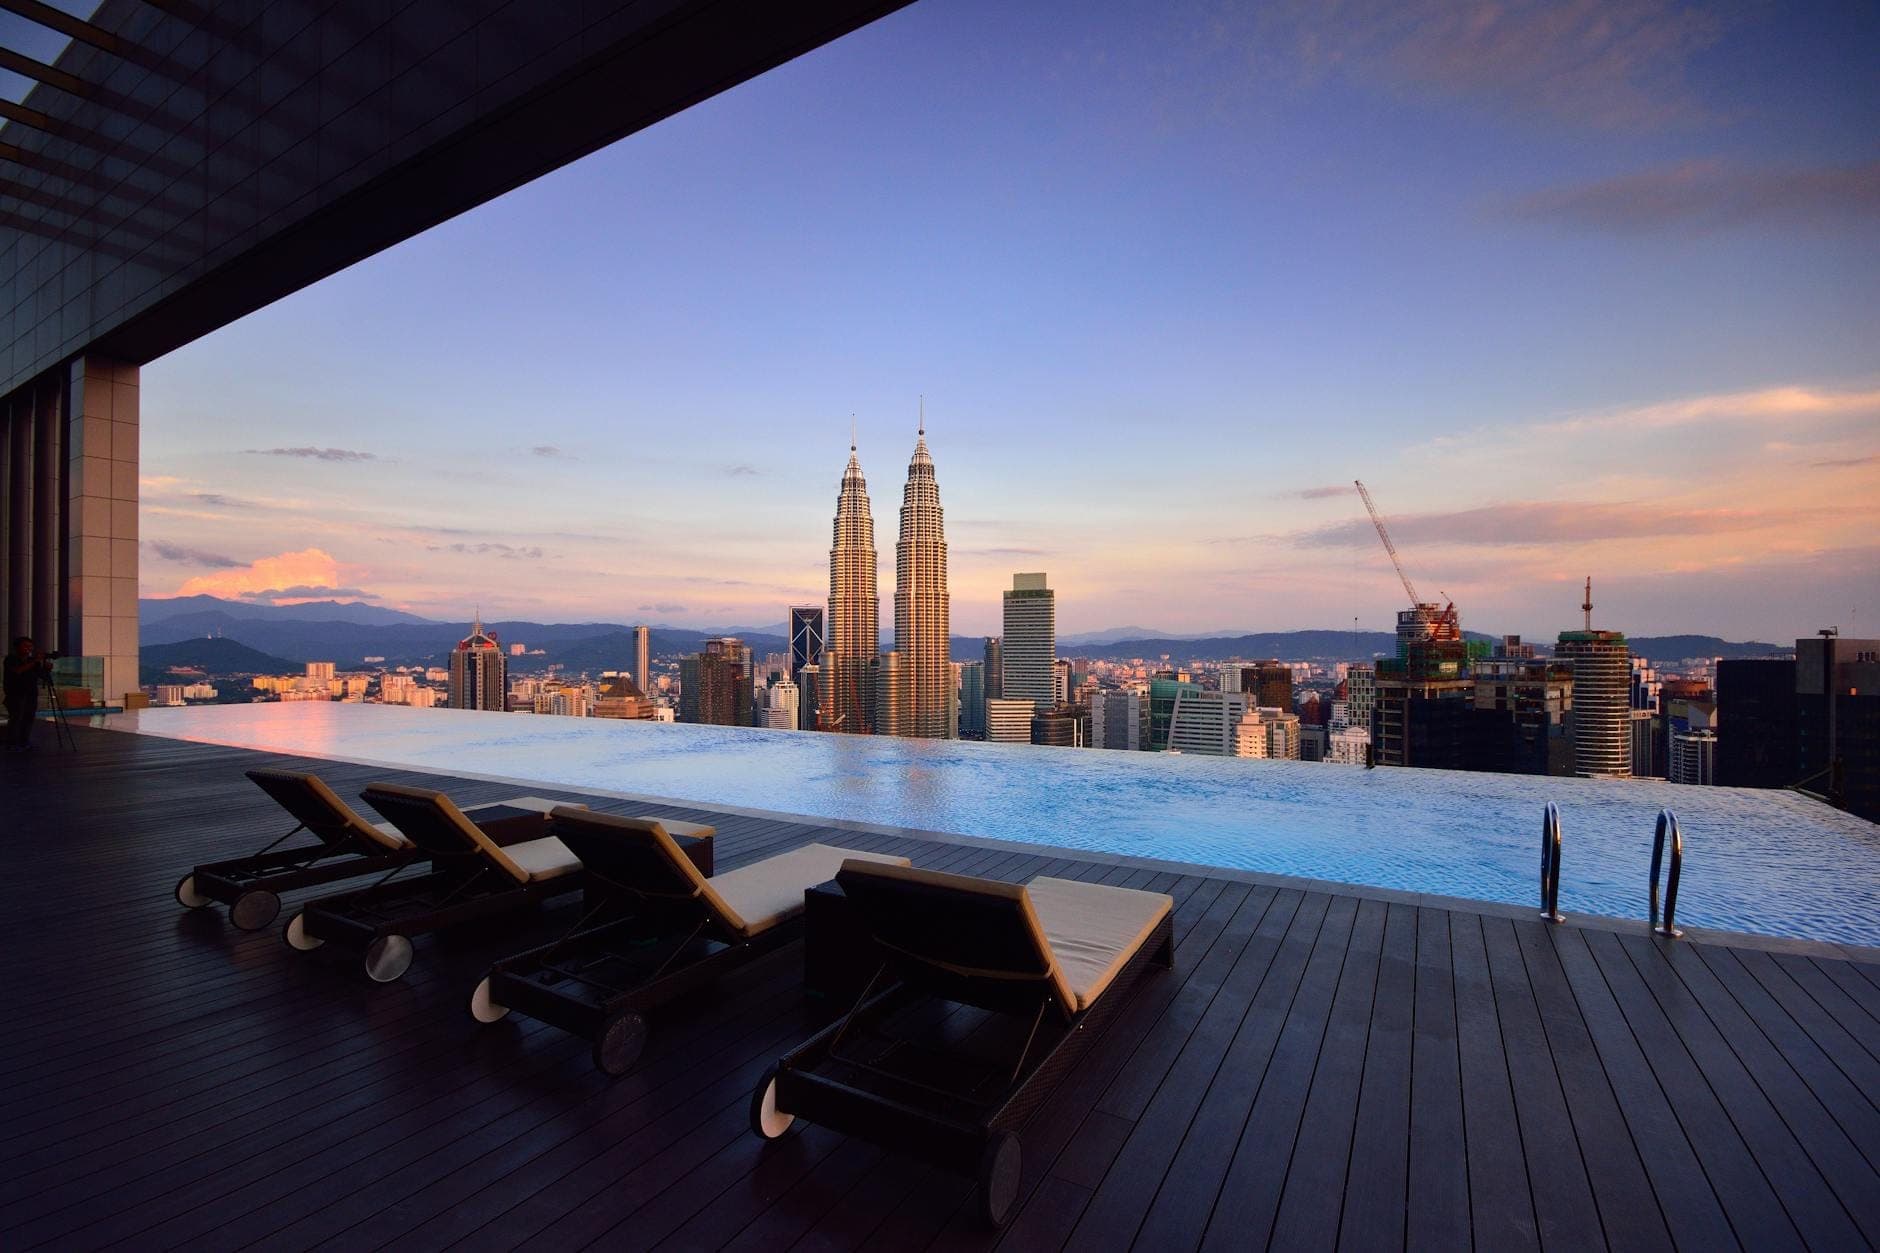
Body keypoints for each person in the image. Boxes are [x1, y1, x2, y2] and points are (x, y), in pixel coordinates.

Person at [4, 636, 52, 752]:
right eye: (25, 646)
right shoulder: (11, 659)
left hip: (31, 694)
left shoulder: (32, 662)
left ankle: (24, 742)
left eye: (30, 646)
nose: (28, 649)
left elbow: (42, 676)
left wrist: (46, 669)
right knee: (16, 718)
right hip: (15, 694)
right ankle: (12, 743)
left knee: (28, 718)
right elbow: (18, 671)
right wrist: (35, 661)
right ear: (17, 647)